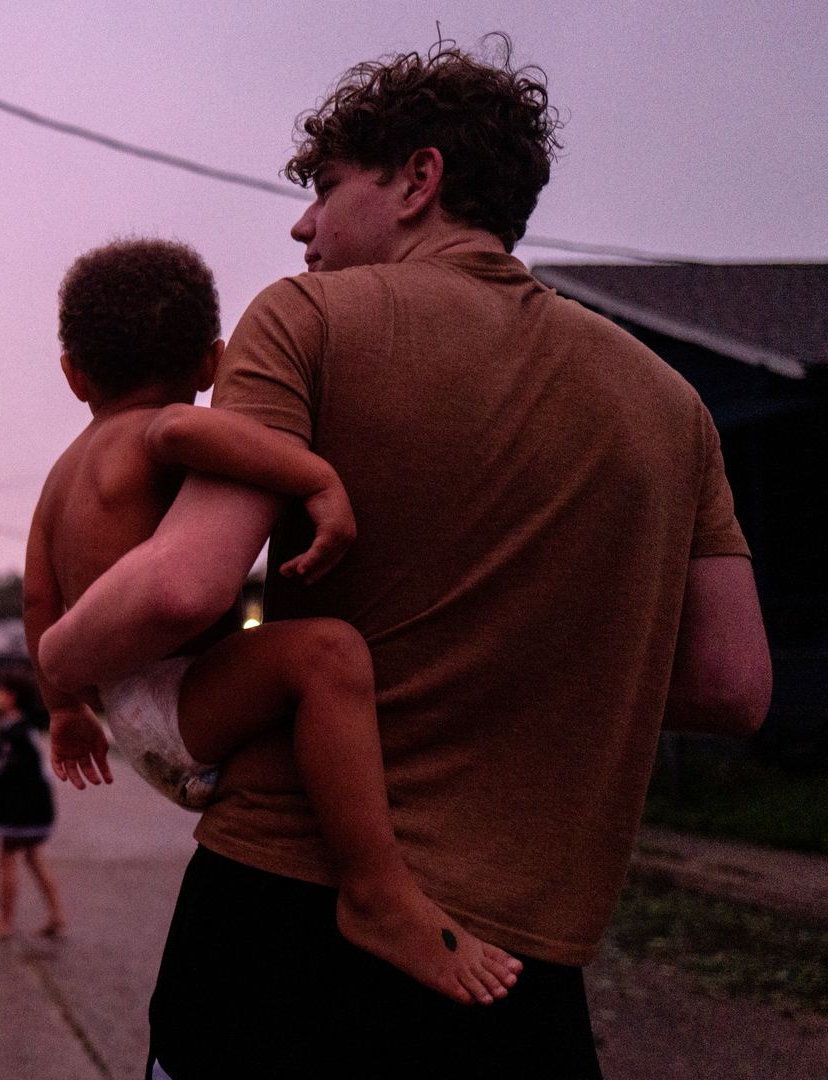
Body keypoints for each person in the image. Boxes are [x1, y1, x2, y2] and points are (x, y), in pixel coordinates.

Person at [38, 38, 770, 1078]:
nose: (302, 225)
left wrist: (61, 663)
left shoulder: (307, 320)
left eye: (327, 188)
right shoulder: (674, 405)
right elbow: (734, 687)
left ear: (419, 180)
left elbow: (187, 585)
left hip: (280, 940)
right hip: (522, 971)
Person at [23, 236, 518, 1004]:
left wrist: (62, 712)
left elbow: (37, 602)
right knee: (326, 655)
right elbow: (187, 432)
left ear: (72, 374)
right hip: (174, 704)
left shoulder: (61, 477)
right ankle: (376, 894)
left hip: (133, 709)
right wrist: (316, 477)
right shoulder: (155, 432)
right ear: (213, 364)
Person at [0, 671, 66, 938]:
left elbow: (2, 767)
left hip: (21, 811)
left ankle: (4, 920)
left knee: (6, 859)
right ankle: (57, 913)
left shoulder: (15, 733)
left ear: (11, 697)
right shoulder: (23, 728)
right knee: (33, 858)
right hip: (35, 808)